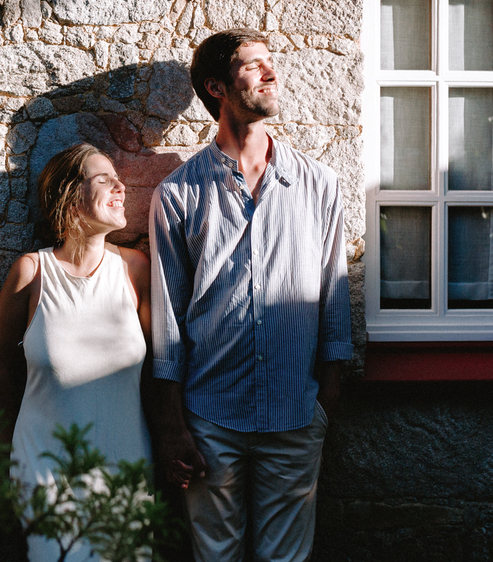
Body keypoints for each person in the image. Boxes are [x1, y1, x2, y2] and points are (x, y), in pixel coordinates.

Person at [148, 29, 353, 562]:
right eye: (252, 65)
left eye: (270, 61)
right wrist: (172, 426)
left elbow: (333, 296)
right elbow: (168, 320)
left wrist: (324, 403)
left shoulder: (319, 184)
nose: (271, 72)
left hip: (296, 413)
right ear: (216, 87)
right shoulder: (178, 193)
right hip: (209, 419)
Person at [0, 143, 152, 562]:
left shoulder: (136, 270)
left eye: (118, 179)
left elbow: (164, 368)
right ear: (69, 196)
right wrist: (2, 465)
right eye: (104, 180)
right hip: (43, 474)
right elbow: (4, 373)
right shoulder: (31, 272)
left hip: (124, 470)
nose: (121, 187)